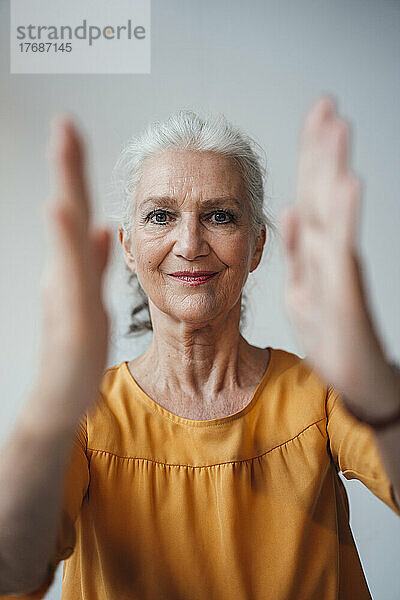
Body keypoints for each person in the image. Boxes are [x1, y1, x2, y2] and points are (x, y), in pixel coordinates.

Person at [0, 96, 399, 600]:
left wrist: (378, 390)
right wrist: (48, 407)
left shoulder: (319, 395)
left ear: (256, 245)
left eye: (220, 217)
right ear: (127, 246)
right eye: (161, 215)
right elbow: (11, 571)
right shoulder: (87, 415)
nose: (189, 243)